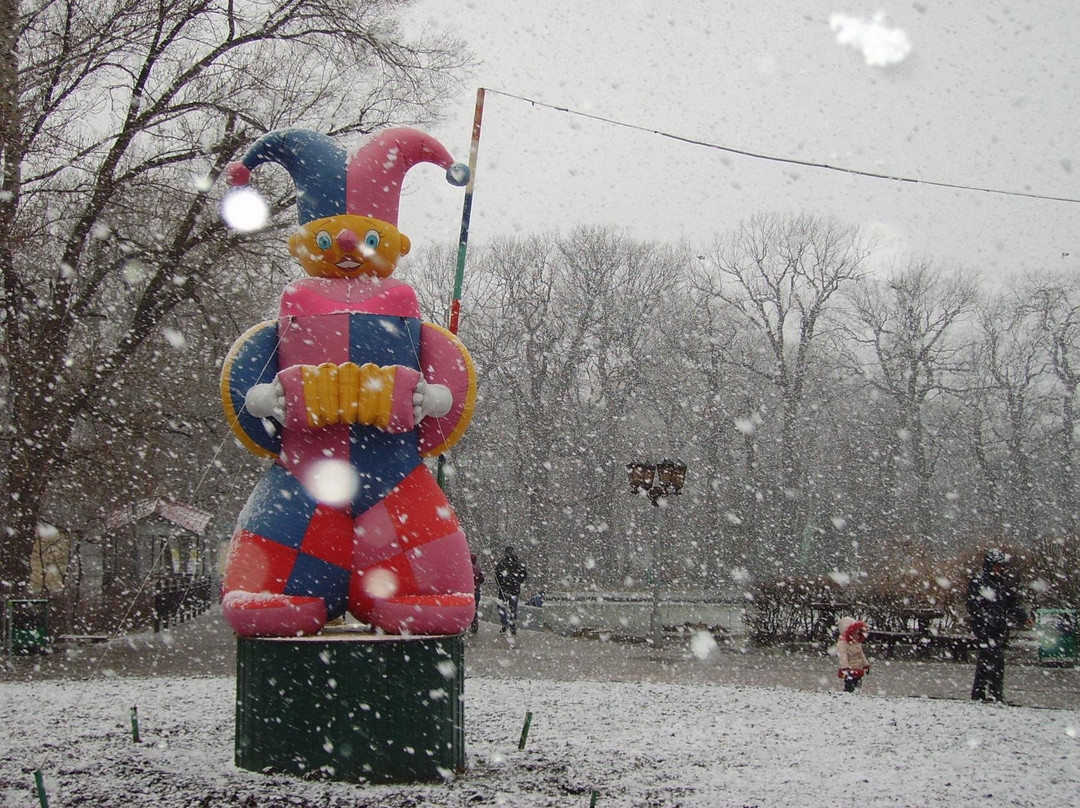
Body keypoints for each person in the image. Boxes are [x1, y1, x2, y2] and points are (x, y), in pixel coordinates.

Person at [967, 548, 1028, 703]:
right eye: (997, 565)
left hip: (996, 627)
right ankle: (994, 694)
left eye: (1000, 565)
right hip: (986, 628)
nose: (999, 568)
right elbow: (974, 606)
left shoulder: (999, 582)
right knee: (995, 661)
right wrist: (987, 620)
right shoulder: (980, 582)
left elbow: (1011, 602)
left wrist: (1023, 616)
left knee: (987, 660)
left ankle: (980, 694)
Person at [494, 546, 528, 635]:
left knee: (501, 607)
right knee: (513, 609)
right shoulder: (519, 563)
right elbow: (524, 574)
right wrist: (518, 582)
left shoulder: (502, 563)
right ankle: (513, 627)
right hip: (515, 590)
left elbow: (497, 575)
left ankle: (504, 623)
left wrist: (500, 585)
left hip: (504, 590)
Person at [836, 616, 871, 693]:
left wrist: (866, 665)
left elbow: (861, 655)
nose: (858, 635)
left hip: (858, 669)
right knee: (850, 687)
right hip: (850, 670)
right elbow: (843, 657)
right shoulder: (843, 644)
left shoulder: (856, 643)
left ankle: (855, 694)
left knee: (857, 687)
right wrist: (845, 669)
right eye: (856, 632)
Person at [470, 553, 485, 634]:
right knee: (474, 609)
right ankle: (474, 625)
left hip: (468, 592)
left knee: (468, 609)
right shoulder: (477, 569)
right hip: (476, 592)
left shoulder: (466, 568)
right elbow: (482, 579)